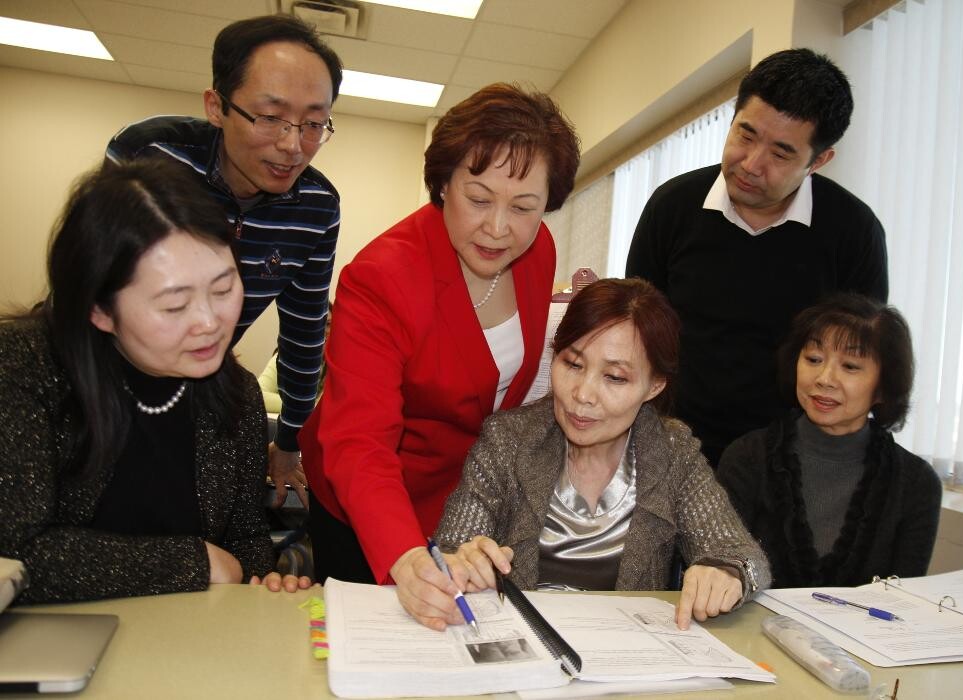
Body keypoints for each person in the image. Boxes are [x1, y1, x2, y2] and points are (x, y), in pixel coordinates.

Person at [299, 83, 581, 587]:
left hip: (465, 497)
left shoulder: (538, 252)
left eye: (523, 207)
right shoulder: (382, 278)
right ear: (444, 184)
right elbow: (360, 441)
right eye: (479, 198)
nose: (498, 228)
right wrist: (404, 558)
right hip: (370, 502)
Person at [0, 160, 310, 604]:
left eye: (223, 290)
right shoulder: (22, 368)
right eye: (173, 305)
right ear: (98, 309)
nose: (210, 323)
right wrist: (194, 562)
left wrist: (264, 583)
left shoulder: (234, 392)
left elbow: (244, 541)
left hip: (184, 644)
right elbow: (15, 552)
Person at [398, 279, 771, 632]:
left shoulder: (672, 452)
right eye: (573, 364)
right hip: (520, 650)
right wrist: (460, 561)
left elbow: (742, 555)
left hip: (625, 660)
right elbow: (448, 550)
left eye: (615, 378)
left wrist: (728, 573)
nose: (583, 394)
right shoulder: (508, 439)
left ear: (654, 386)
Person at [106, 15, 343, 506]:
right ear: (217, 106)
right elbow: (97, 275)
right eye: (270, 116)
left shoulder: (317, 205)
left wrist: (290, 440)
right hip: (101, 373)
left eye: (314, 123)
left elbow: (303, 331)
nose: (292, 145)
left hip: (200, 388)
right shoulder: (151, 153)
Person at [626, 48, 888, 467]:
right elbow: (635, 332)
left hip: (788, 464)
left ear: (819, 160)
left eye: (781, 153)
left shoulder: (853, 232)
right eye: (745, 135)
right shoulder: (672, 207)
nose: (750, 164)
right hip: (672, 450)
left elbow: (859, 360)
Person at [717, 293, 941, 588]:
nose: (824, 378)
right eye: (813, 359)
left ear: (884, 387)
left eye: (850, 366)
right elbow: (719, 566)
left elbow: (901, 602)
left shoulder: (916, 484)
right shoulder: (747, 458)